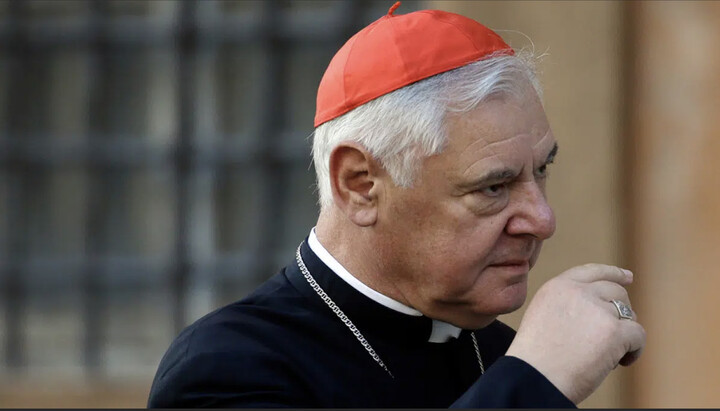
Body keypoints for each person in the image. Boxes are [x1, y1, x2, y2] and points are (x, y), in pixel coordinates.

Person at [148, 3, 645, 408]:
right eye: (493, 188)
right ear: (360, 184)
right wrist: (536, 382)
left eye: (541, 170)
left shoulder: (500, 353)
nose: (543, 220)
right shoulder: (228, 371)